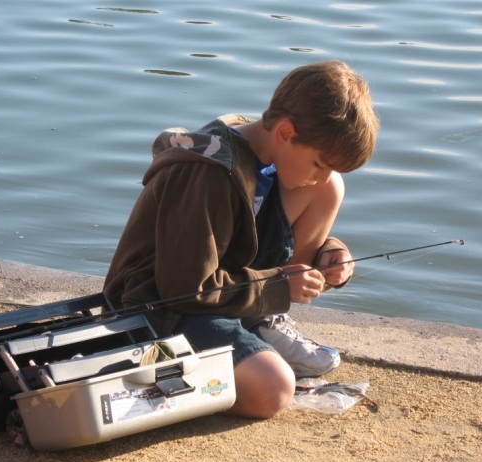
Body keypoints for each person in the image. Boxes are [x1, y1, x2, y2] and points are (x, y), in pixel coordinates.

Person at [104, 60, 379, 419]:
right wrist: (278, 287)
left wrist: (329, 255)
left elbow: (258, 230)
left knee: (330, 188)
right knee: (274, 389)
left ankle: (258, 323)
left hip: (225, 287)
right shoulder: (207, 174)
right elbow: (185, 288)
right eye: (319, 163)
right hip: (162, 307)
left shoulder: (265, 149)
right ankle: (221, 368)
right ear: (285, 133)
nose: (319, 176)